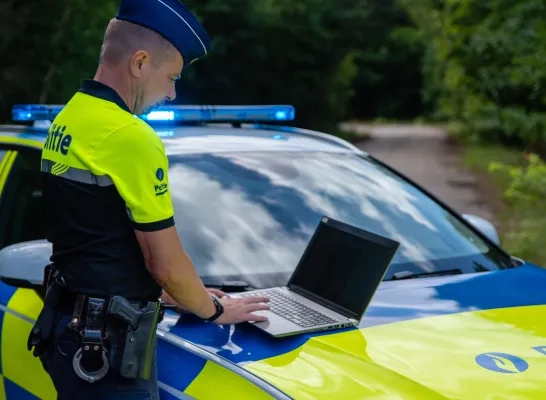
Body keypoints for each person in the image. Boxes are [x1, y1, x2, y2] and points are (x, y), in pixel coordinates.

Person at [27, 1, 270, 399]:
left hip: (68, 329)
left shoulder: (70, 117)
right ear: (140, 62)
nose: (172, 93)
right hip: (107, 349)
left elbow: (96, 234)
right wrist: (215, 310)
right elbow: (166, 263)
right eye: (171, 77)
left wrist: (180, 292)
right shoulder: (130, 136)